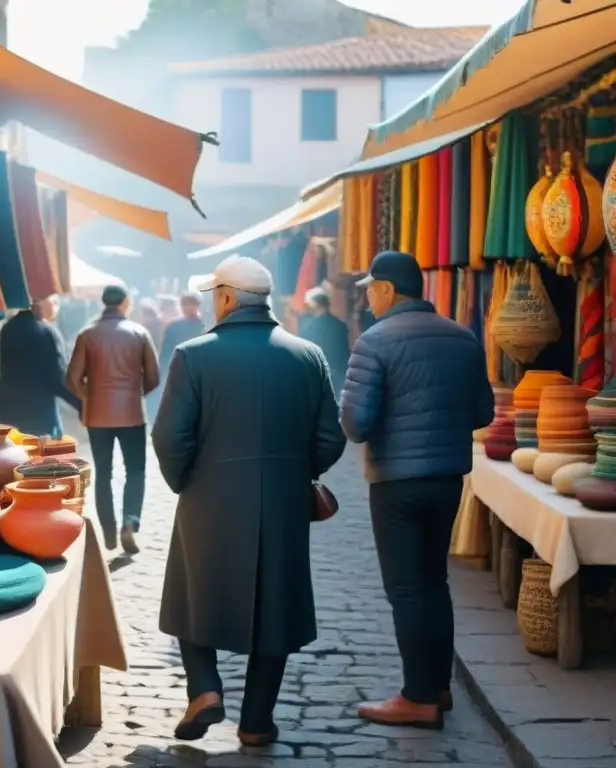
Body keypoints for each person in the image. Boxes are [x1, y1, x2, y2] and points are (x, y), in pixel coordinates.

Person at [152, 255, 345, 746]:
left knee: (192, 591)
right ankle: (257, 721)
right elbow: (330, 437)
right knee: (275, 604)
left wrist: (187, 482)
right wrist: (298, 474)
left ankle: (205, 688)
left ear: (226, 298)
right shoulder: (308, 356)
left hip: (207, 497)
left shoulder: (193, 355)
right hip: (282, 502)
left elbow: (170, 436)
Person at [340, 250, 494, 729]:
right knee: (434, 583)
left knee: (407, 589)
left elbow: (356, 424)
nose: (366, 296)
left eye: (370, 287)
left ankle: (418, 696)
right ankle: (438, 686)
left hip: (397, 483)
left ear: (387, 289)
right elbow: (483, 414)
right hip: (447, 478)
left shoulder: (375, 341)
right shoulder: (463, 337)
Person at [67, 285, 159, 554]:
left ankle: (108, 528)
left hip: (97, 415)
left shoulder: (87, 334)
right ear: (126, 303)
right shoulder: (139, 333)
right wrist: (134, 393)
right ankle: (130, 520)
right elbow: (153, 377)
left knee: (104, 474)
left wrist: (90, 397)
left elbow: (72, 378)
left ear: (103, 303)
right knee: (136, 470)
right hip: (132, 413)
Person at [0, 296, 80, 438]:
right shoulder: (47, 332)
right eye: (54, 300)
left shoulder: (8, 328)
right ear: (41, 303)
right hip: (38, 417)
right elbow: (58, 379)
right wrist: (83, 405)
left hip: (6, 412)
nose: (56, 306)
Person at [298, 287, 350, 397]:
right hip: (339, 374)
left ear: (315, 304)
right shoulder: (341, 325)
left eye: (309, 303)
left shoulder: (310, 328)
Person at [158, 290, 207, 373]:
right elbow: (165, 354)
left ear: (197, 306)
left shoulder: (204, 328)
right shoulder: (173, 327)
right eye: (184, 304)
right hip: (177, 372)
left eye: (191, 304)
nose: (187, 308)